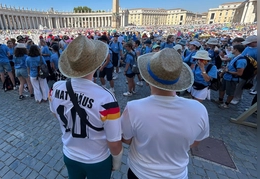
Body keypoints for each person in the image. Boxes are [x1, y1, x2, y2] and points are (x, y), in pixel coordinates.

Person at [121, 48, 209, 179]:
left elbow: (126, 139)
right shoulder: (199, 109)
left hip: (141, 172)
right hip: (177, 174)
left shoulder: (134, 107)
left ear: (147, 79)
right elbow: (195, 142)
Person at [49, 35, 123, 179]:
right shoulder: (106, 98)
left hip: (70, 154)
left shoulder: (55, 88)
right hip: (97, 159)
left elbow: (55, 114)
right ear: (96, 64)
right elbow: (114, 141)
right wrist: (117, 162)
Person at [215, 44, 247, 109]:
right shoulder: (235, 57)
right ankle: (220, 100)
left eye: (232, 49)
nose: (231, 50)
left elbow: (239, 73)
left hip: (232, 79)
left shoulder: (241, 60)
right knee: (221, 88)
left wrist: (227, 71)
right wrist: (224, 72)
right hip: (226, 77)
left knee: (230, 92)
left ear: (236, 50)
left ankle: (226, 104)